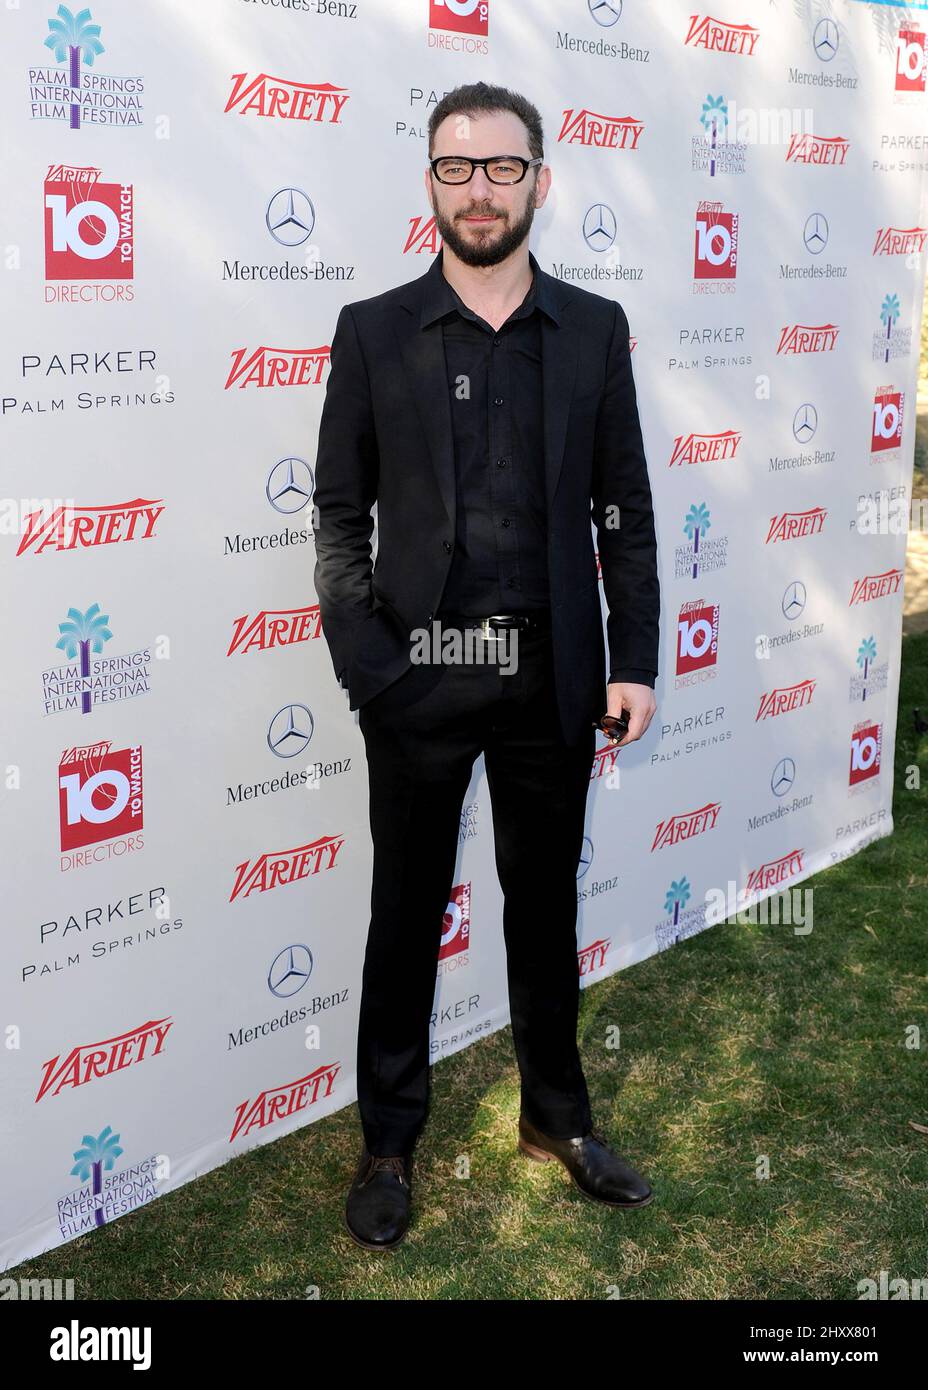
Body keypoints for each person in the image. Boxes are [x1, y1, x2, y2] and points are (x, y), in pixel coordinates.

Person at [312, 81, 661, 1250]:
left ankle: (555, 1118)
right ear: (429, 183)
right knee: (403, 915)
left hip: (553, 674)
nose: (478, 190)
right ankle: (389, 1140)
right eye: (456, 168)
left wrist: (635, 657)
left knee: (544, 907)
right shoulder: (371, 331)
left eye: (501, 168)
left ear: (539, 182)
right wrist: (373, 668)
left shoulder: (596, 329)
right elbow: (337, 514)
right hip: (423, 676)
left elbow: (627, 512)